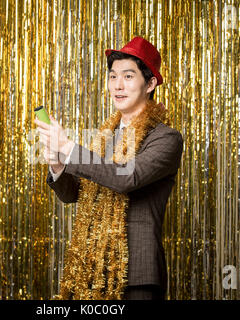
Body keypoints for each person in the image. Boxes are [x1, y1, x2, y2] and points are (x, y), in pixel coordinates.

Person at [34, 37, 183, 300]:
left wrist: (68, 148)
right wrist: (58, 162)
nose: (118, 85)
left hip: (137, 275)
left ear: (150, 84)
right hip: (92, 271)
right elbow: (73, 195)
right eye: (113, 76)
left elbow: (127, 176)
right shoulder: (105, 138)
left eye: (128, 76)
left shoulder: (166, 138)